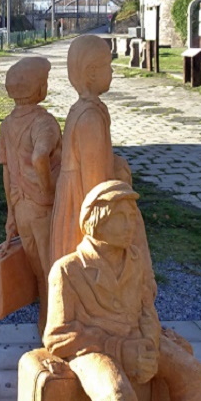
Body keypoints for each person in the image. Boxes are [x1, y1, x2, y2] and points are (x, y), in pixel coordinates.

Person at [43, 181, 201, 401]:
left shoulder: (136, 259)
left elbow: (147, 310)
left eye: (132, 217)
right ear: (97, 221)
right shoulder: (68, 269)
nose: (130, 225)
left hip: (138, 340)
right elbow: (57, 337)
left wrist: (149, 345)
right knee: (119, 398)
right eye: (121, 217)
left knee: (194, 375)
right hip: (95, 350)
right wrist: (119, 349)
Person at [50, 34, 132, 262]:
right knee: (83, 261)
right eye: (109, 65)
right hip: (83, 202)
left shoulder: (83, 108)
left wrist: (115, 162)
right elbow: (95, 180)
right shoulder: (90, 119)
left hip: (77, 195)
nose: (112, 72)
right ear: (92, 72)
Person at [0, 56, 62, 332]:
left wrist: (11, 213)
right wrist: (47, 191)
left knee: (39, 270)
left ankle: (44, 324)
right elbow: (40, 157)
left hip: (21, 207)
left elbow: (7, 171)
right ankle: (57, 326)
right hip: (41, 207)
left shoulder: (6, 125)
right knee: (54, 269)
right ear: (39, 89)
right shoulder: (44, 122)